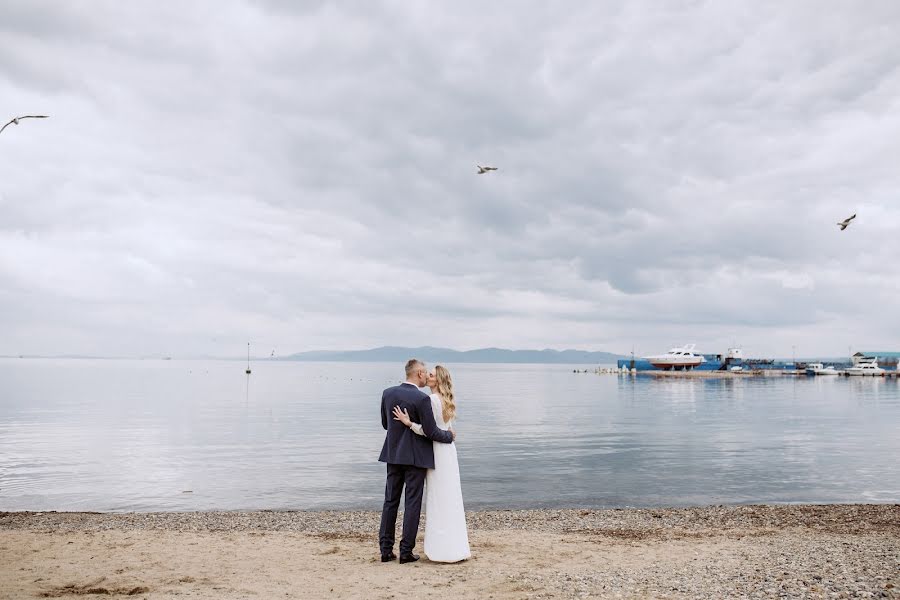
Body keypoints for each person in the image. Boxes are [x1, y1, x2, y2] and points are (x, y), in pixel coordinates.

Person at [378, 359, 455, 564]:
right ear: (419, 373)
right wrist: (449, 436)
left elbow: (386, 424)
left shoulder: (388, 393)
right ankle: (405, 552)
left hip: (393, 456)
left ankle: (385, 551)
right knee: (412, 504)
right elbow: (430, 432)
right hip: (416, 458)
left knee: (390, 502)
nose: (426, 376)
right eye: (425, 373)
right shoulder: (422, 399)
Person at [392, 365, 471, 562]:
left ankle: (442, 548)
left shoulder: (430, 400)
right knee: (450, 496)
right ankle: (455, 546)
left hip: (436, 450)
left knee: (437, 498)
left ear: (438, 380)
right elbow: (448, 430)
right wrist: (450, 436)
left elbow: (429, 431)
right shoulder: (446, 400)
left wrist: (409, 423)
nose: (427, 376)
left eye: (431, 375)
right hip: (449, 452)